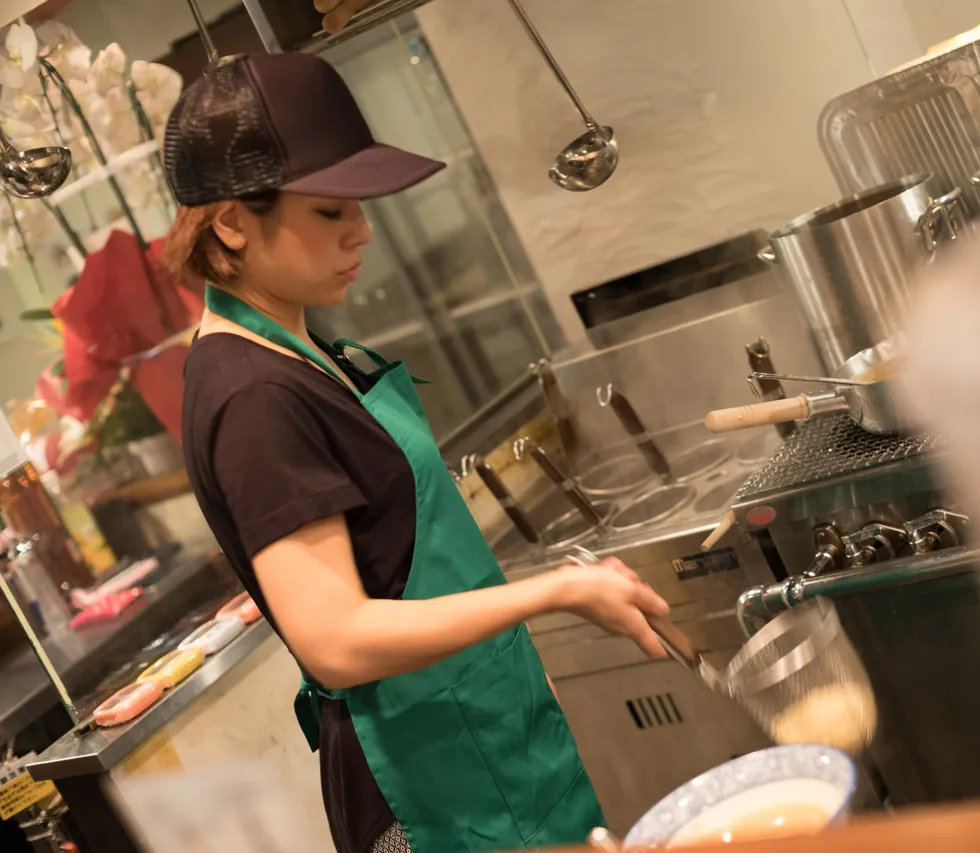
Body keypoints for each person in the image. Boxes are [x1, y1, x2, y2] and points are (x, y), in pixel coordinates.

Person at [164, 53, 668, 853]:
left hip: (478, 736)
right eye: (330, 212)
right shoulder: (251, 393)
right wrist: (552, 592)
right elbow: (334, 637)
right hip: (425, 791)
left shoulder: (302, 347)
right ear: (230, 221)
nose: (363, 230)